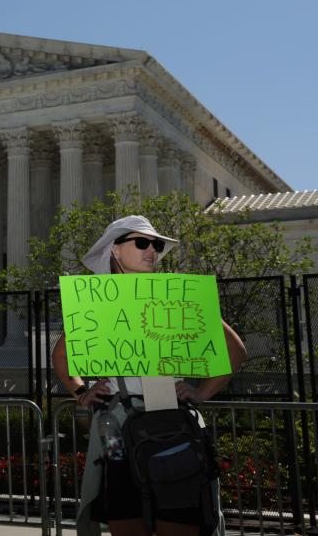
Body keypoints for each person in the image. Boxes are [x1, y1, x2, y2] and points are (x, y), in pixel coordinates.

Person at [51, 215, 247, 536]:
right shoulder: (99, 302)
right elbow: (61, 354)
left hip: (172, 427)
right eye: (142, 242)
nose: (152, 250)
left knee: (181, 521)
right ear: (115, 250)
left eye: (156, 245)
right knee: (128, 520)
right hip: (119, 433)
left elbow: (235, 350)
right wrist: (80, 392)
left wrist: (202, 392)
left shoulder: (177, 295)